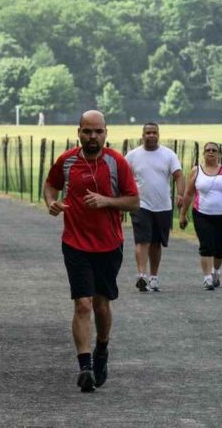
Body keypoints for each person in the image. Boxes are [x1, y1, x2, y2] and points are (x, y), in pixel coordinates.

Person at [43, 110, 139, 393]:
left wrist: (106, 201)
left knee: (101, 304)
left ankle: (102, 349)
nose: (93, 137)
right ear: (79, 132)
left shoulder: (116, 163)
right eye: (87, 131)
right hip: (74, 243)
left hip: (109, 244)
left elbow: (134, 201)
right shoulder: (67, 160)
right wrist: (51, 202)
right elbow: (50, 186)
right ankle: (85, 367)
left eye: (98, 131)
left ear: (106, 133)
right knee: (82, 303)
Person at [179, 142, 222, 291]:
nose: (211, 153)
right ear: (203, 154)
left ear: (219, 154)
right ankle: (207, 278)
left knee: (220, 248)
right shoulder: (196, 171)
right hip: (202, 214)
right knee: (206, 245)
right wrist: (183, 214)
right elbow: (189, 193)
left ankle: (216, 272)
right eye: (208, 150)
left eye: (214, 150)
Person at [125, 122, 183, 293]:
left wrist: (180, 194)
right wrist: (124, 201)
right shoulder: (133, 156)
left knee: (156, 243)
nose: (151, 135)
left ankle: (154, 277)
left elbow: (178, 176)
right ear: (142, 135)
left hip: (163, 205)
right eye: (148, 133)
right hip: (140, 204)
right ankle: (141, 275)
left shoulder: (168, 154)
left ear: (159, 134)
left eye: (154, 132)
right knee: (142, 240)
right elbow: (124, 179)